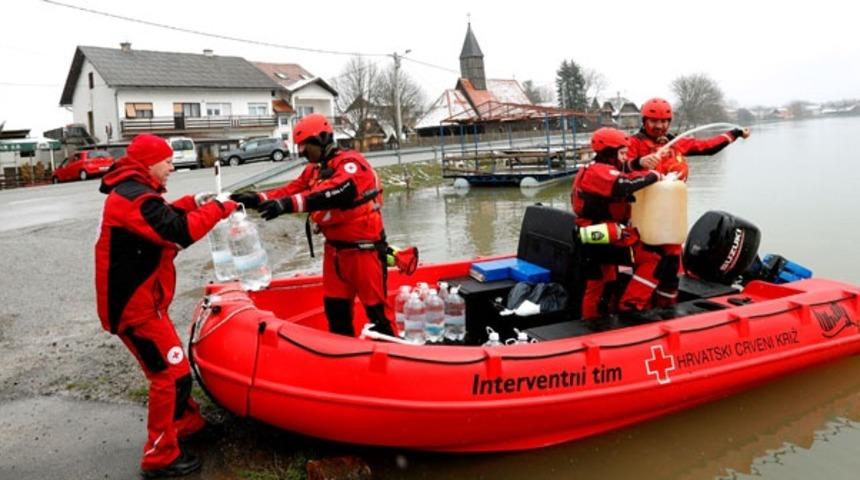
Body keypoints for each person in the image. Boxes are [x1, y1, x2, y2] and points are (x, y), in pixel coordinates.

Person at [95, 134, 236, 478]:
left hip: (147, 305)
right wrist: (218, 208)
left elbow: (162, 216)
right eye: (168, 160)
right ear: (148, 163)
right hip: (135, 310)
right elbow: (177, 232)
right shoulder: (132, 198)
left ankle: (186, 425)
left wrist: (193, 200)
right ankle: (159, 456)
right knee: (169, 377)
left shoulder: (135, 192)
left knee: (174, 370)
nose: (172, 166)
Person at [231, 114, 396, 337]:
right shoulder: (315, 170)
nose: (301, 152)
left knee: (377, 314)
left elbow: (333, 193)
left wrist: (286, 205)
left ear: (321, 140)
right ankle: (343, 359)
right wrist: (256, 198)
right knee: (335, 311)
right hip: (335, 253)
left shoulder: (352, 166)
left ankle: (392, 356)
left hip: (364, 252)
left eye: (304, 146)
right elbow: (291, 190)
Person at [623, 97, 751, 308]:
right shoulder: (633, 145)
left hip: (671, 215)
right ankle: (632, 309)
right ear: (644, 121)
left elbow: (707, 147)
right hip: (643, 215)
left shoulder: (676, 143)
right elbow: (618, 170)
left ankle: (667, 308)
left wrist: (734, 134)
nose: (660, 126)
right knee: (650, 265)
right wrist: (638, 163)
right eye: (654, 121)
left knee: (672, 267)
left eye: (665, 121)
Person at [571, 127, 661, 317]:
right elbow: (624, 184)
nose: (624, 157)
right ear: (609, 153)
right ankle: (630, 306)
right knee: (654, 260)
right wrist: (655, 175)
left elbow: (622, 170)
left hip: (593, 233)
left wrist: (639, 163)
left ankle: (598, 320)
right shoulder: (599, 172)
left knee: (604, 281)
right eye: (621, 153)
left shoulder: (596, 168)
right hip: (602, 234)